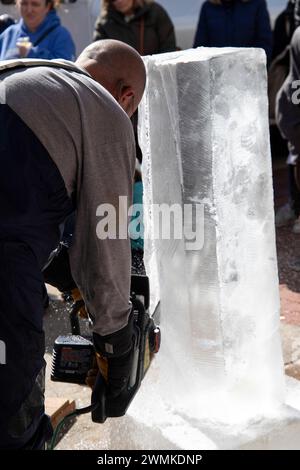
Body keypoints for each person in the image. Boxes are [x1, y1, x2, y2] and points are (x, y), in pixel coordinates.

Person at [0, 38, 146, 449]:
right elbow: (108, 241)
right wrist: (115, 339)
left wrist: (53, 266)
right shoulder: (108, 110)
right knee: (15, 408)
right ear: (127, 95)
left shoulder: (26, 74)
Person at [193, 0, 272, 64]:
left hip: (249, 74)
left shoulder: (257, 4)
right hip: (216, 75)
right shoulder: (208, 7)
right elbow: (199, 48)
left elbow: (265, 45)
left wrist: (247, 64)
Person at [94, 0, 176, 56]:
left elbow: (168, 47)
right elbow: (99, 54)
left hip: (154, 72)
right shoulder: (104, 21)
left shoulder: (155, 11)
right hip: (121, 77)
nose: (119, 1)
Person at [0, 0, 75, 60]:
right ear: (17, 4)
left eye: (35, 4)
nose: (29, 10)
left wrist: (32, 54)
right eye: (24, 3)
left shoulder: (61, 36)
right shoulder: (8, 34)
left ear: (47, 6)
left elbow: (65, 73)